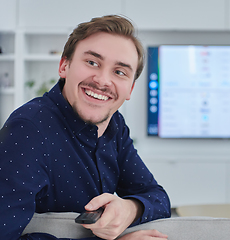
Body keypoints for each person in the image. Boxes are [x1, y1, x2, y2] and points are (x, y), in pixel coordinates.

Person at [0, 15, 171, 240]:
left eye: (119, 72)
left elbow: (158, 198)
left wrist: (131, 208)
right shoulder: (28, 130)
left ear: (130, 89)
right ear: (64, 66)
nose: (102, 80)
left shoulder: (115, 125)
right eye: (92, 62)